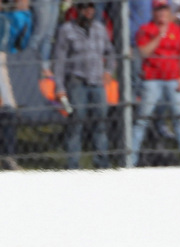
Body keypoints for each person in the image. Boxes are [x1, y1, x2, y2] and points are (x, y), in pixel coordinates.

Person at [130, 0, 180, 167]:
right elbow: (143, 52)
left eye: (164, 10)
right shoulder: (146, 30)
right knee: (142, 119)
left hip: (173, 79)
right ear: (153, 13)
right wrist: (159, 36)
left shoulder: (177, 30)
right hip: (152, 80)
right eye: (158, 11)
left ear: (169, 12)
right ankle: (130, 159)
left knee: (179, 119)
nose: (161, 14)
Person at [53, 0, 115, 169]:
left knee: (101, 123)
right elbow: (59, 61)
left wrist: (109, 71)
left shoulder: (100, 29)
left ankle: (102, 163)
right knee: (76, 124)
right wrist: (59, 87)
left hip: (97, 83)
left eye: (90, 7)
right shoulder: (66, 30)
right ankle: (73, 164)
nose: (87, 11)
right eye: (83, 7)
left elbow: (110, 52)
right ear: (77, 9)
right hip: (76, 82)